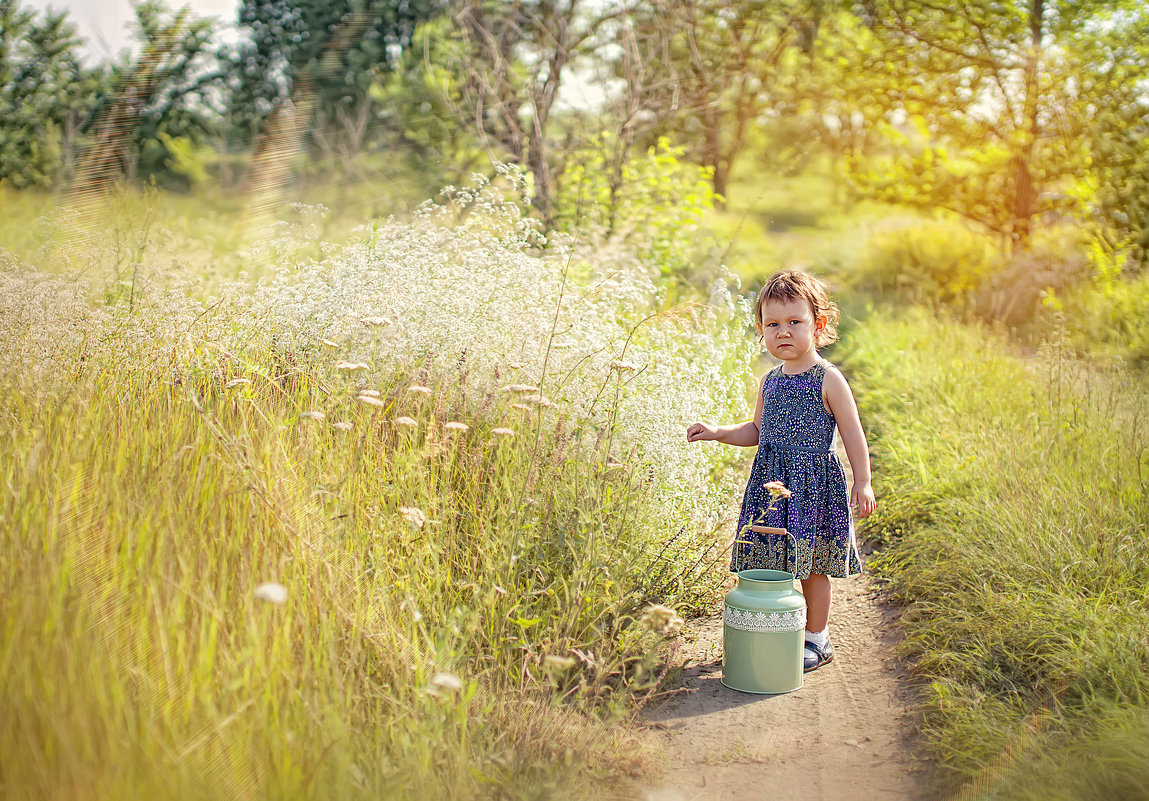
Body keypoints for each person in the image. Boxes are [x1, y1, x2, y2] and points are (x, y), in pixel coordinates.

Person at [686, 269, 876, 673]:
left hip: (812, 488)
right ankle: (776, 629)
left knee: (810, 567)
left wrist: (863, 481)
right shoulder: (770, 381)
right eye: (773, 324)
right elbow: (756, 430)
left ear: (818, 325)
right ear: (761, 329)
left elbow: (853, 434)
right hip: (771, 486)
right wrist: (719, 432)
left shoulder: (829, 379)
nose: (783, 332)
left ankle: (817, 638)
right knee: (771, 561)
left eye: (794, 322)